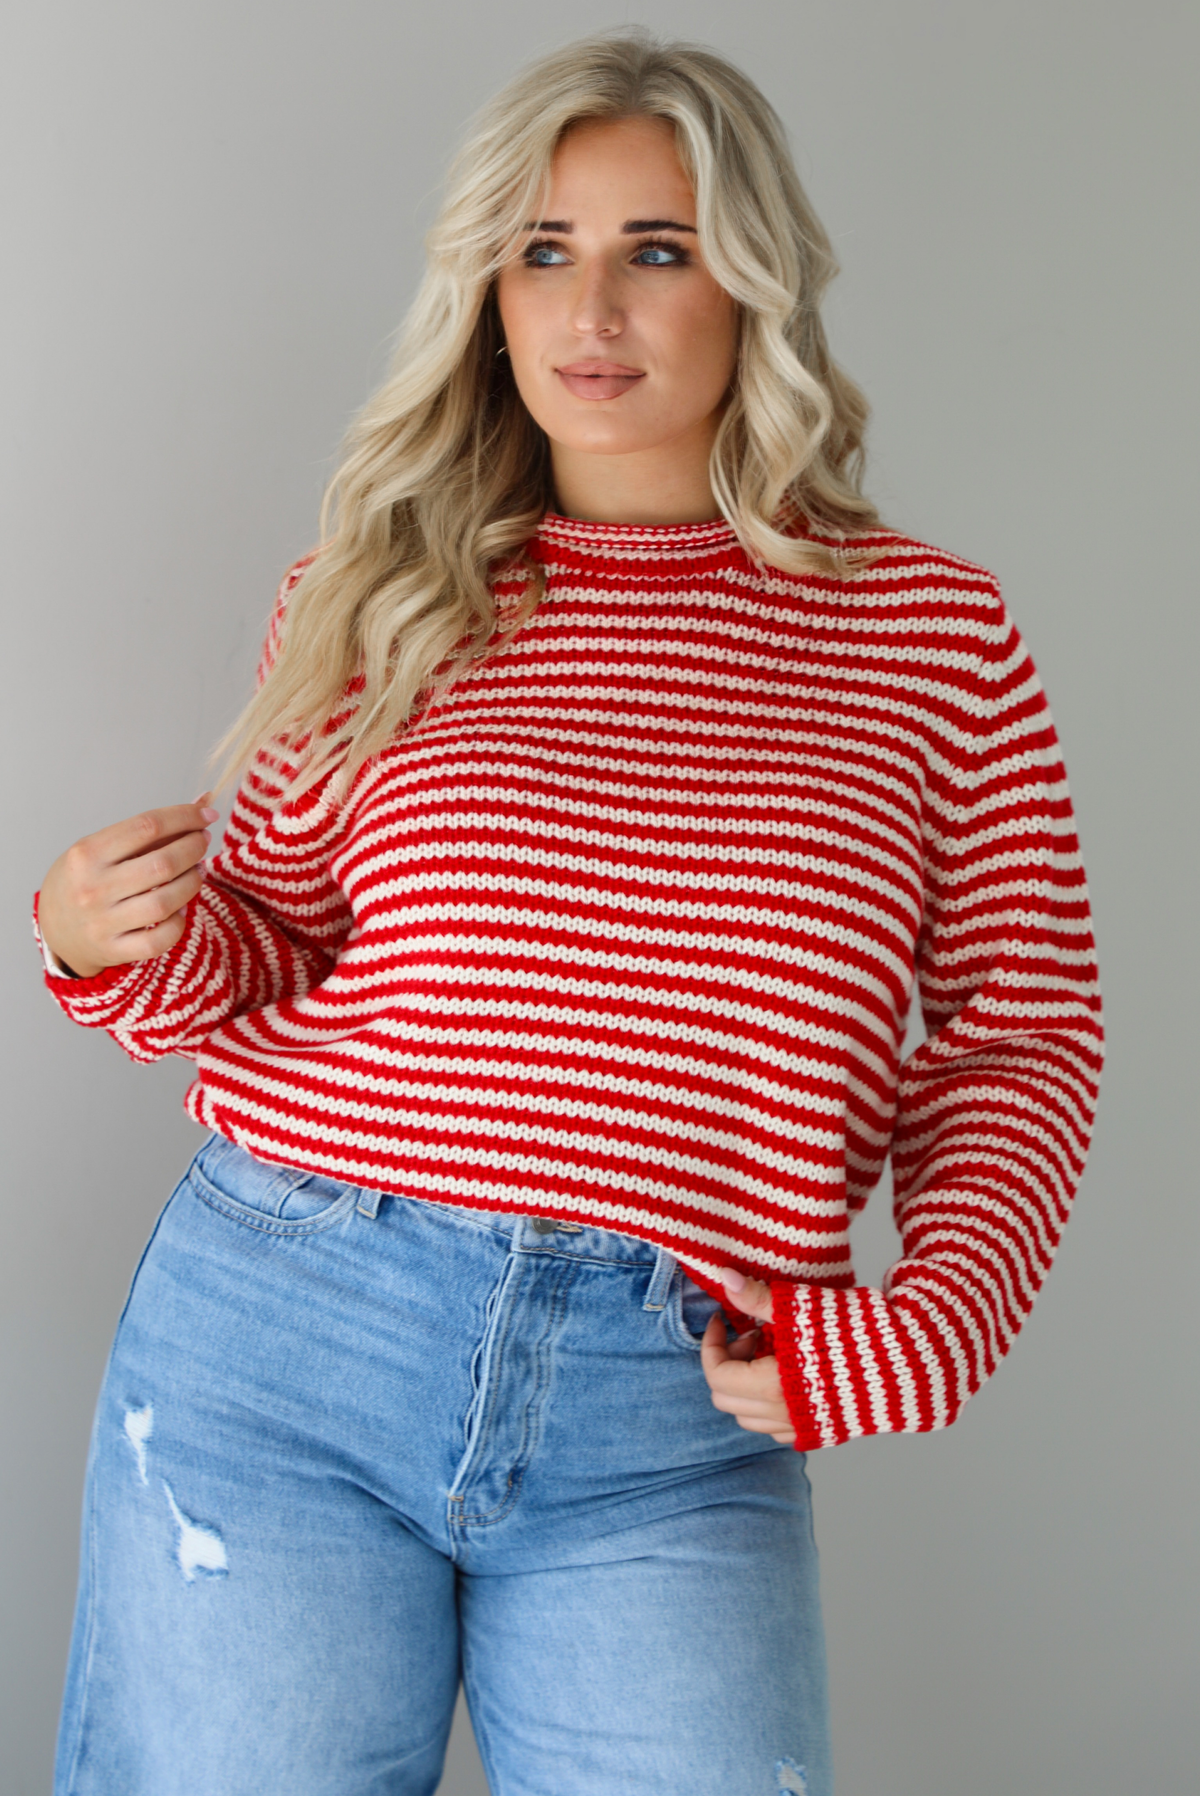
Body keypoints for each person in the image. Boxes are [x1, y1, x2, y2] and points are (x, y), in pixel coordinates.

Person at [35, 31, 1103, 1796]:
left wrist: (939, 1312)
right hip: (286, 1340)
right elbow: (272, 959)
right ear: (487, 293)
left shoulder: (930, 636)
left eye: (654, 248)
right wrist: (101, 940)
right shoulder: (381, 593)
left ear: (752, 282)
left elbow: (1019, 1032)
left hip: (670, 1413)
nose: (589, 302)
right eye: (543, 249)